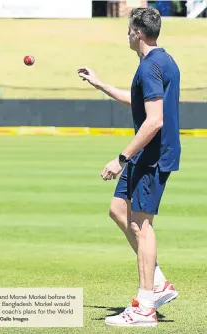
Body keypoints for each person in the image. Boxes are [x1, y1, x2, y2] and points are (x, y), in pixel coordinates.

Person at [78, 7, 180, 327]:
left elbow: (154, 120)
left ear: (137, 32)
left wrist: (121, 159)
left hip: (151, 155)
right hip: (147, 153)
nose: (127, 34)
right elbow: (139, 104)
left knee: (142, 225)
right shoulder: (162, 60)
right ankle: (158, 281)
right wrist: (100, 84)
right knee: (118, 209)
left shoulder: (151, 66)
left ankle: (145, 306)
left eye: (128, 29)